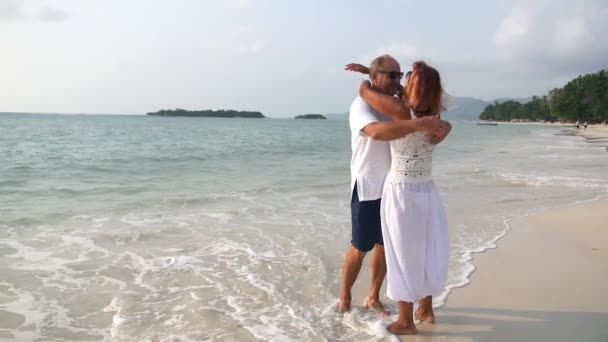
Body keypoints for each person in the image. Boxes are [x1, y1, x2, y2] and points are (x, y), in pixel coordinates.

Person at [340, 55, 451, 315]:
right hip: (368, 185)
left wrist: (445, 126)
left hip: (395, 189)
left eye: (400, 75)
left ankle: (373, 297)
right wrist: (419, 125)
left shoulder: (399, 103)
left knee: (386, 247)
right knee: (360, 246)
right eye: (392, 75)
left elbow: (419, 100)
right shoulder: (361, 105)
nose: (397, 80)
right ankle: (344, 299)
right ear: (375, 77)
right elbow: (376, 132)